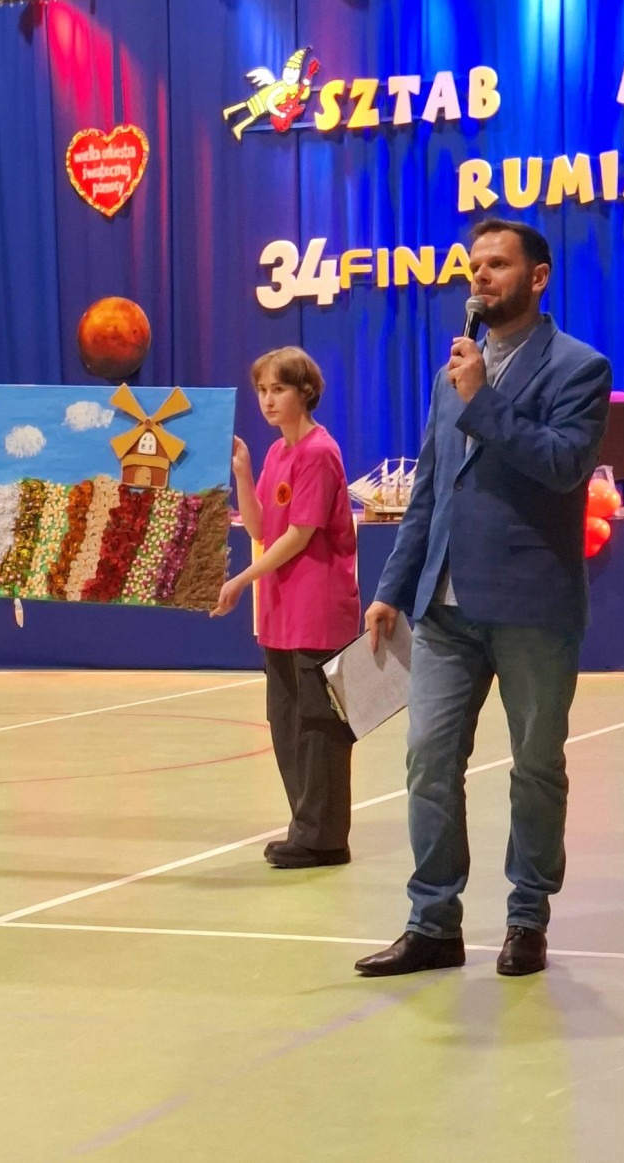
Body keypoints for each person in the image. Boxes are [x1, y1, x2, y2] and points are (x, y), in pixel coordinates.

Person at [355, 219, 611, 978]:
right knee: (428, 760)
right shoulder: (452, 374)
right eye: (474, 264)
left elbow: (564, 465)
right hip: (444, 609)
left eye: (498, 263)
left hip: (533, 606)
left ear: (538, 277)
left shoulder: (579, 368)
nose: (481, 275)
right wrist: (393, 588)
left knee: (535, 768)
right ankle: (433, 922)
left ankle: (527, 917)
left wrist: (482, 400)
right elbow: (430, 490)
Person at [212, 347, 360, 868]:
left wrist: (240, 580)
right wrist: (243, 474)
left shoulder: (319, 452)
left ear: (305, 392)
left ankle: (324, 838)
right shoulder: (277, 452)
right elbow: (259, 528)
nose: (268, 400)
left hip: (317, 609)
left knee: (319, 724)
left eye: (278, 389)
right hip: (279, 611)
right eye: (262, 390)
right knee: (287, 721)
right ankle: (307, 827)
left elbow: (299, 535)